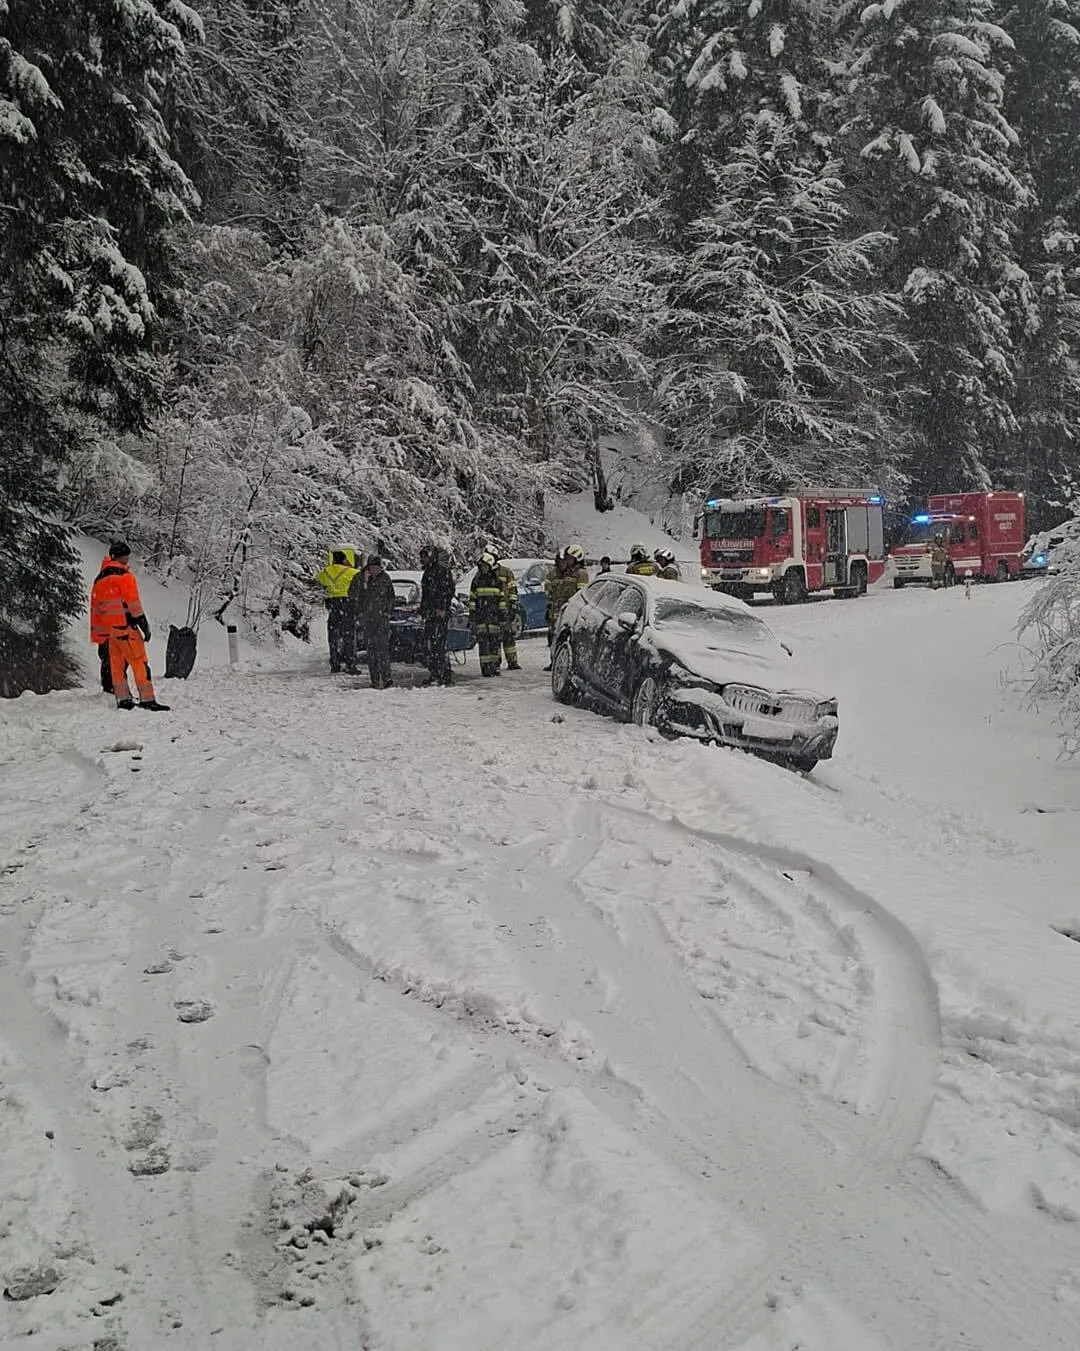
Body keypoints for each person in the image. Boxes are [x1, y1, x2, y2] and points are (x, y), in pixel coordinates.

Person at [89, 542, 170, 711]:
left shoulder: (99, 579)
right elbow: (133, 604)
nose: (128, 559)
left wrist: (100, 636)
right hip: (126, 627)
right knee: (139, 661)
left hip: (110, 632)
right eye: (126, 556)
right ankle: (147, 699)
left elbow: (96, 610)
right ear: (122, 557)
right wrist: (144, 625)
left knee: (117, 666)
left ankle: (123, 699)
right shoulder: (124, 576)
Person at [543, 545, 589, 670]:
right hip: (559, 610)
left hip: (571, 612)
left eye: (570, 558)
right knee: (555, 638)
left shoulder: (581, 574)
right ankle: (555, 662)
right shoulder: (568, 572)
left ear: (577, 558)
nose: (567, 561)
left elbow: (581, 594)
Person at [315, 548, 361, 672]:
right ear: (345, 559)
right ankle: (350, 664)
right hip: (348, 604)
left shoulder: (326, 571)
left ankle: (335, 664)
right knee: (349, 635)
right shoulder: (352, 572)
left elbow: (319, 582)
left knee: (333, 636)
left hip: (333, 605)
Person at [420, 543, 455, 686]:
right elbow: (426, 595)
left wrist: (442, 608)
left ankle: (445, 674)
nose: (423, 559)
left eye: (425, 557)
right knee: (430, 645)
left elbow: (449, 591)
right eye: (422, 557)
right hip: (430, 614)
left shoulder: (442, 572)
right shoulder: (427, 573)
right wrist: (423, 610)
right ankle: (434, 672)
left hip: (439, 614)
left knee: (439, 645)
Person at [469, 551, 508, 677]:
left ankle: (495, 666)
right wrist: (473, 616)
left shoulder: (497, 582)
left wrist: (503, 617)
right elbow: (472, 600)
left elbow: (502, 602)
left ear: (490, 567)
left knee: (495, 644)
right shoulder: (476, 582)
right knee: (483, 645)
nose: (483, 568)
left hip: (494, 619)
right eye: (481, 566)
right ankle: (486, 668)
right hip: (481, 619)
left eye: (485, 566)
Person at [360, 555, 395, 688]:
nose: (374, 570)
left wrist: (387, 612)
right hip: (368, 619)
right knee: (371, 651)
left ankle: (386, 678)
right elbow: (358, 597)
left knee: (383, 649)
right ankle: (374, 679)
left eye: (377, 568)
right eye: (372, 568)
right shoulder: (362, 579)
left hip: (382, 619)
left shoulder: (385, 579)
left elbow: (391, 597)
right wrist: (364, 583)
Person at [490, 549, 521, 670]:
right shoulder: (484, 572)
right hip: (491, 610)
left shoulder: (506, 572)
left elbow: (512, 589)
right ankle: (496, 661)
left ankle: (512, 661)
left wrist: (513, 605)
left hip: (505, 609)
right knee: (494, 637)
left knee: (508, 636)